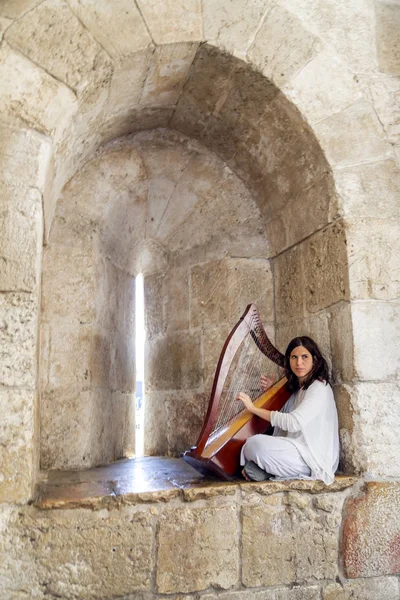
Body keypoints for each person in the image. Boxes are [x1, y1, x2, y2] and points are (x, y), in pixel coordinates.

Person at [237, 336, 339, 484]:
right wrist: (272, 390)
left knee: (255, 444)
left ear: (314, 360)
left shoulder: (319, 388)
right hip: (295, 450)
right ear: (288, 361)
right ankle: (266, 468)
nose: (299, 363)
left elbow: (292, 422)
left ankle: (265, 469)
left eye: (305, 357)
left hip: (313, 458)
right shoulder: (300, 388)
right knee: (251, 444)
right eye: (294, 357)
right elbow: (285, 414)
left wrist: (253, 408)